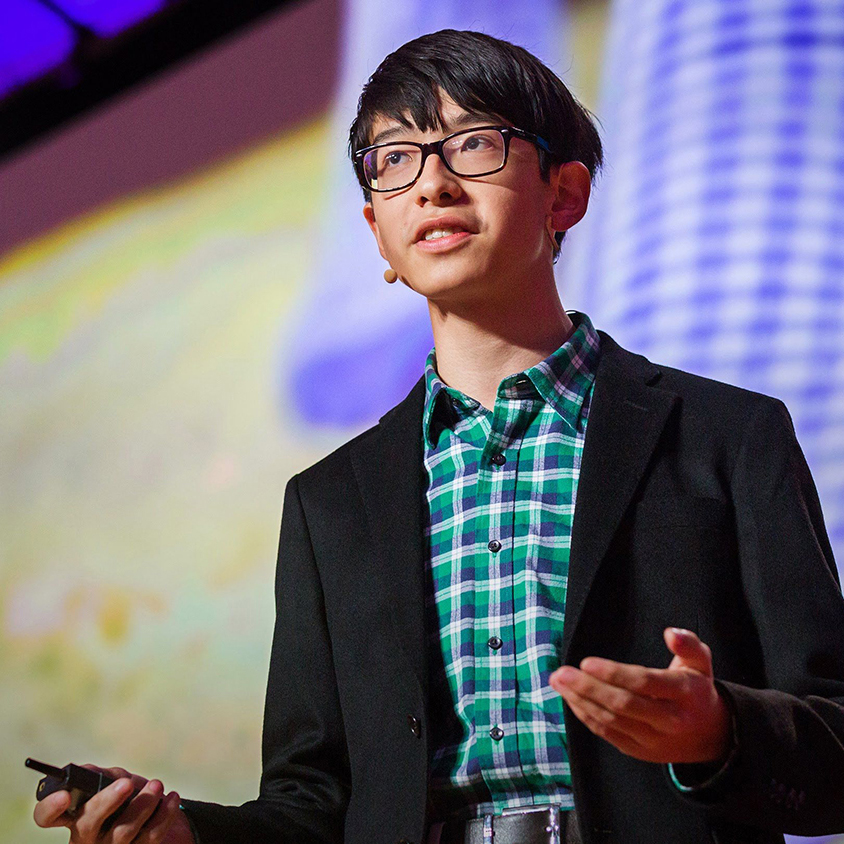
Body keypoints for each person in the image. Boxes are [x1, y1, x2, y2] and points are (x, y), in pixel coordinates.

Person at [33, 29, 844, 844]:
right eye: (395, 159)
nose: (433, 184)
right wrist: (181, 833)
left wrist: (721, 734)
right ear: (377, 230)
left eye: (474, 145)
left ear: (565, 195)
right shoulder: (330, 505)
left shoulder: (726, 436)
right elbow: (314, 806)